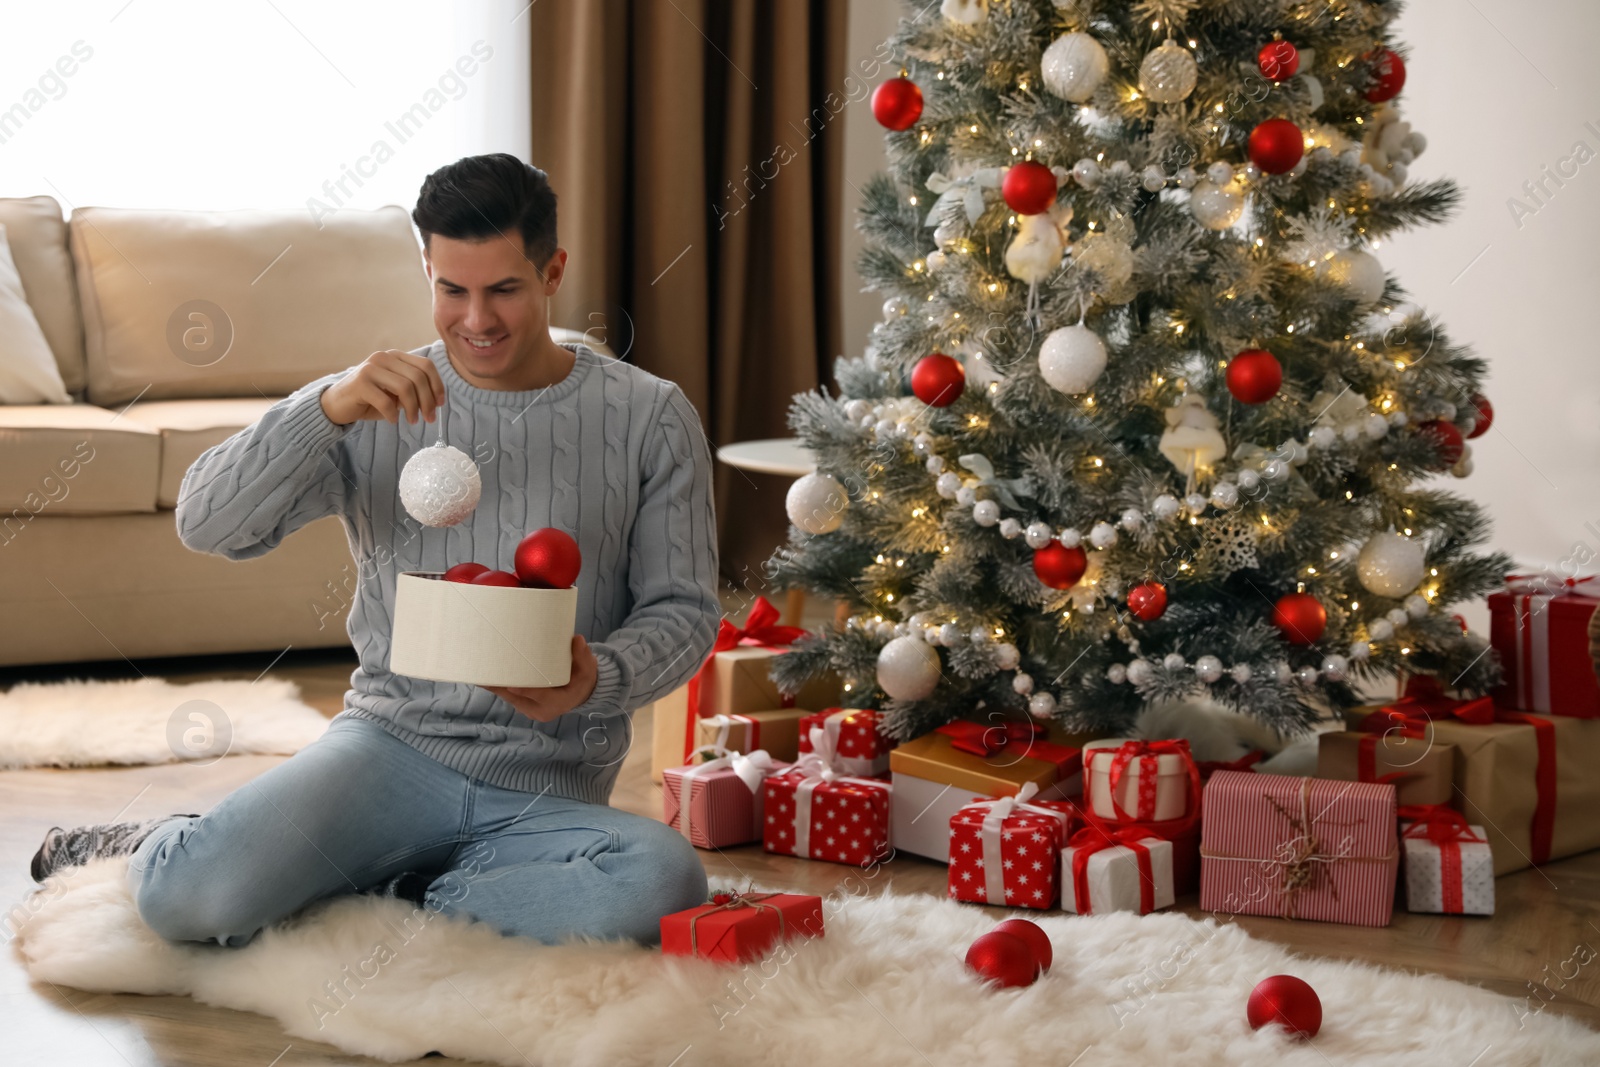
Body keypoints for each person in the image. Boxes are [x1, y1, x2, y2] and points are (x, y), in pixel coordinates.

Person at [29, 153, 722, 949]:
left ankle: (389, 887)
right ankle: (161, 841)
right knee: (184, 902)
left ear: (553, 270)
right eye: (450, 289)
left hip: (551, 789)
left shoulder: (649, 415)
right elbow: (206, 522)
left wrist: (599, 677)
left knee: (664, 879)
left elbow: (685, 610)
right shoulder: (373, 401)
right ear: (426, 270)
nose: (476, 320)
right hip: (387, 752)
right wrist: (321, 409)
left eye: (504, 289)